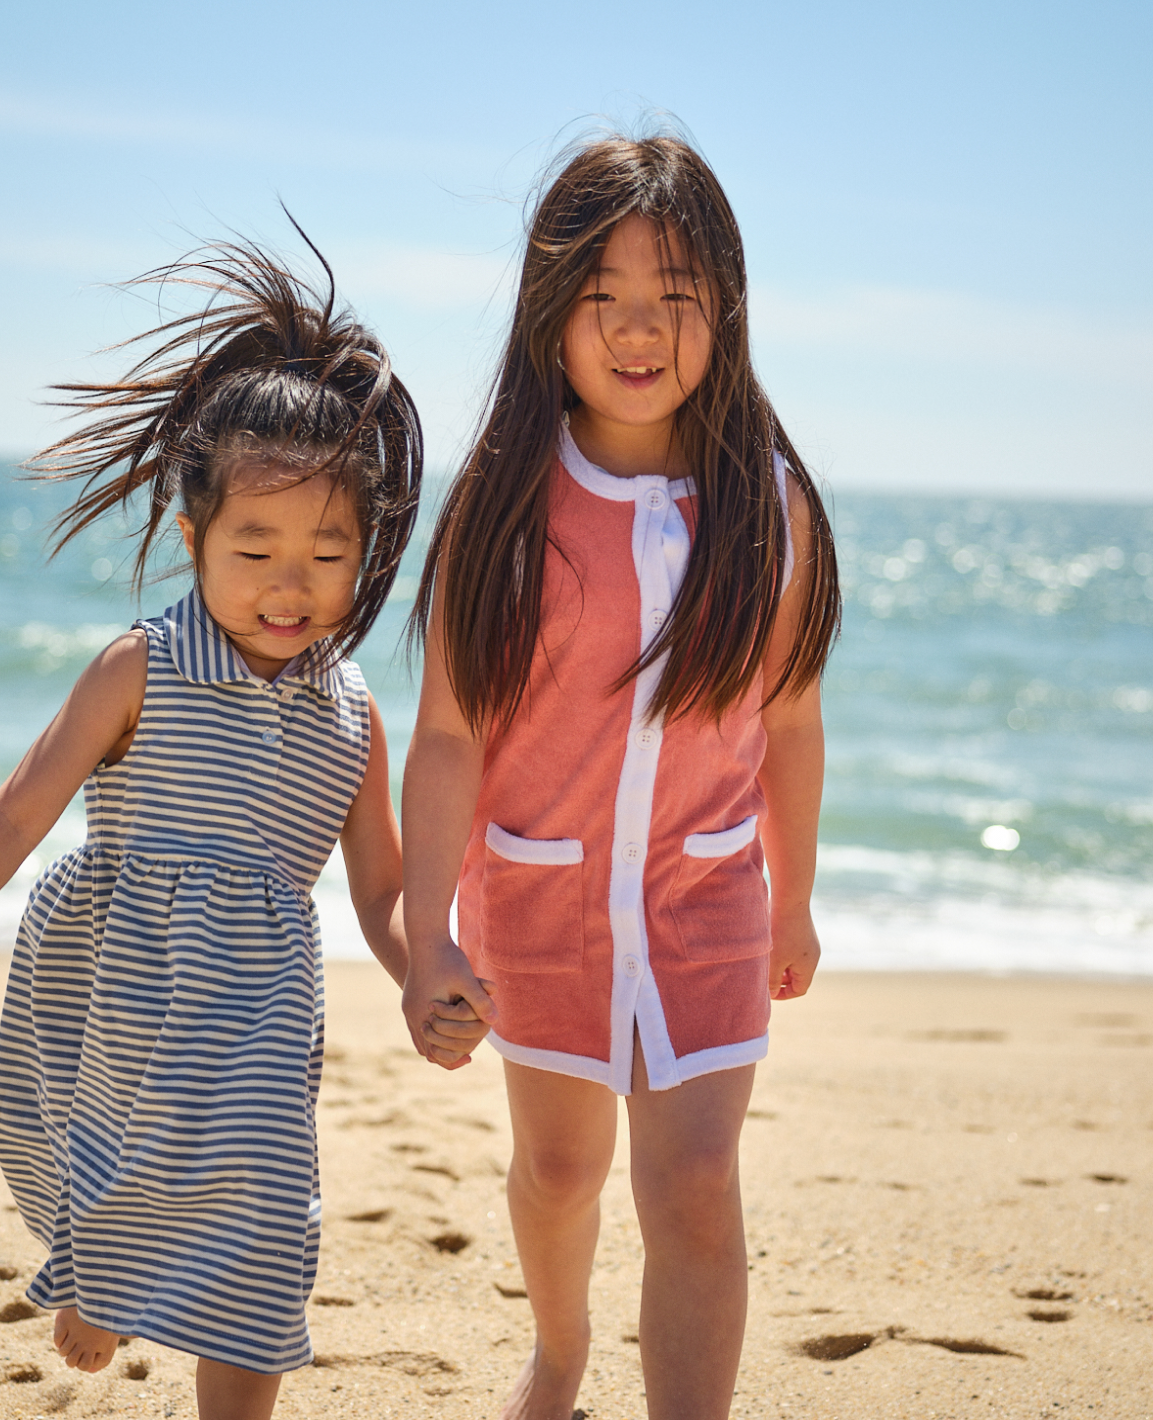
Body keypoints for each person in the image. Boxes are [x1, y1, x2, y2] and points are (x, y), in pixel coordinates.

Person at [0, 240, 427, 1420]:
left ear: (367, 553)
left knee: (261, 1218)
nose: (287, 585)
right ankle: (100, 1273)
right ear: (191, 534)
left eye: (326, 555)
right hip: (125, 980)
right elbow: (14, 812)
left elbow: (381, 888)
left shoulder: (353, 712)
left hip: (255, 1006)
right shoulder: (140, 666)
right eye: (253, 550)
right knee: (120, 1164)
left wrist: (422, 976)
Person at [401, 132, 843, 1420]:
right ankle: (558, 1348)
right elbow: (447, 735)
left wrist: (796, 894)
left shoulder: (769, 508)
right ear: (551, 313)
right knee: (554, 1171)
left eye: (675, 299)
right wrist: (428, 932)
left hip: (708, 904)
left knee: (696, 1182)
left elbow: (793, 721)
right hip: (538, 907)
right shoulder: (500, 502)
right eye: (605, 299)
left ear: (726, 312)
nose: (639, 330)